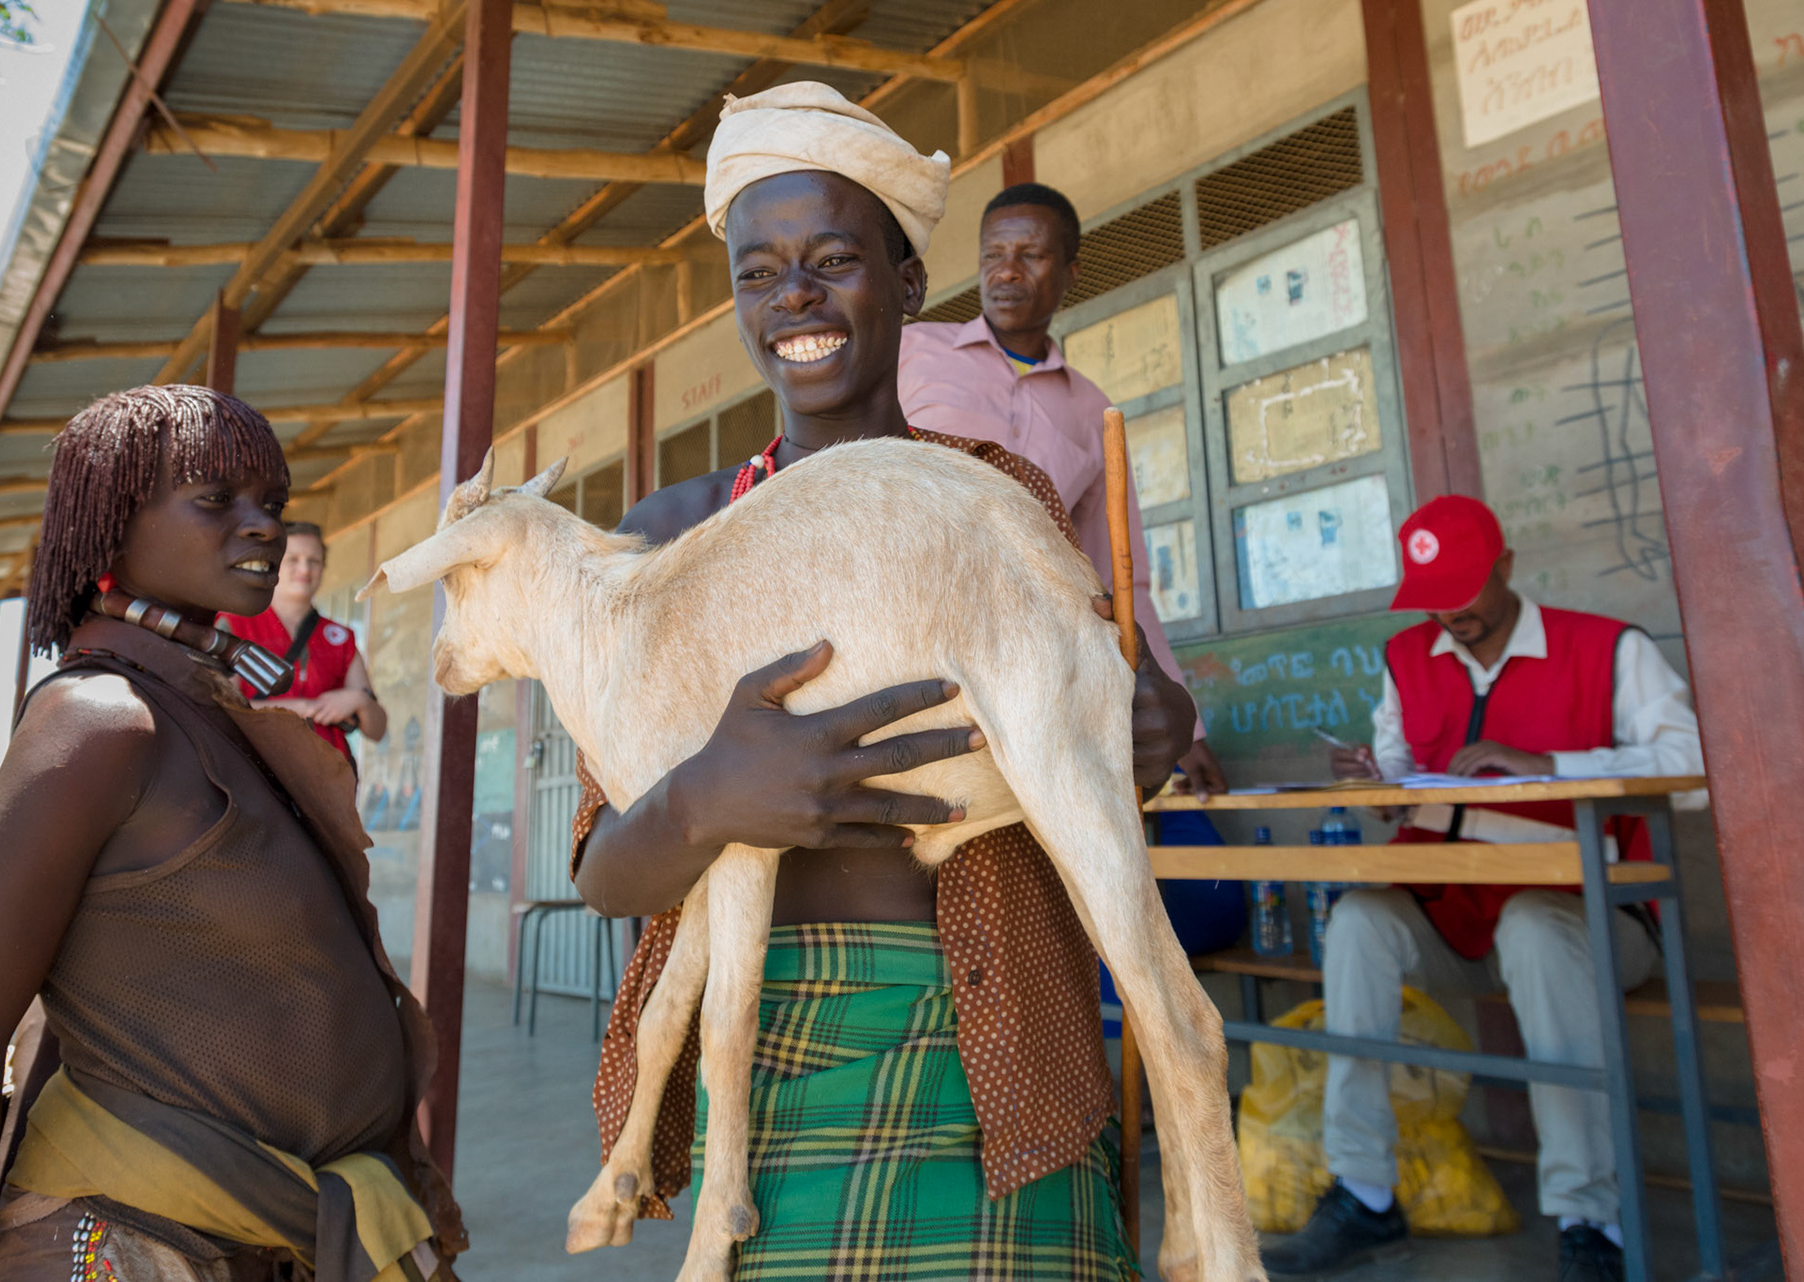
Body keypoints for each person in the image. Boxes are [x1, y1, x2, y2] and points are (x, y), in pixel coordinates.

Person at [569, 83, 1199, 1279]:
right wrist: (712, 796)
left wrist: (1143, 723)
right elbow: (608, 873)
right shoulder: (671, 539)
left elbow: (1116, 713)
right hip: (765, 1072)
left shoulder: (999, 500)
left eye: (833, 260)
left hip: (1012, 1050)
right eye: (759, 273)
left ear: (909, 286)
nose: (793, 297)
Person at [0, 386, 464, 1282]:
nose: (264, 527)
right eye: (215, 498)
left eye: (271, 504)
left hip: (256, 1245)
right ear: (111, 520)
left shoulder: (202, 712)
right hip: (132, 1246)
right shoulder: (96, 723)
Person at [1262, 495, 1703, 1282]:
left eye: (1463, 590)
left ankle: (1589, 1220)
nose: (1448, 614)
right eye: (1430, 595)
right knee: (1360, 919)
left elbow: (1693, 767)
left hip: (1594, 918)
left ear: (1506, 568)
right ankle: (1364, 1193)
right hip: (1456, 917)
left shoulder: (1606, 649)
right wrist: (1378, 782)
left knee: (1535, 923)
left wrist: (1553, 767)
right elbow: (1404, 773)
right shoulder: (1408, 658)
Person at [898, 180, 1228, 800]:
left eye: (1031, 255)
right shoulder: (911, 352)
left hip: (1026, 665)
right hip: (899, 631)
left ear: (1070, 271)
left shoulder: (1095, 411)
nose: (1007, 272)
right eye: (993, 254)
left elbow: (1120, 574)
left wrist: (1189, 733)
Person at [220, 521, 387, 770]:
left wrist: (358, 702)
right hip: (256, 773)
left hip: (328, 778)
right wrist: (300, 708)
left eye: (314, 561)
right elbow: (221, 710)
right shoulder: (234, 624)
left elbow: (377, 730)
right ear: (272, 563)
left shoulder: (340, 637)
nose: (304, 568)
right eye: (293, 559)